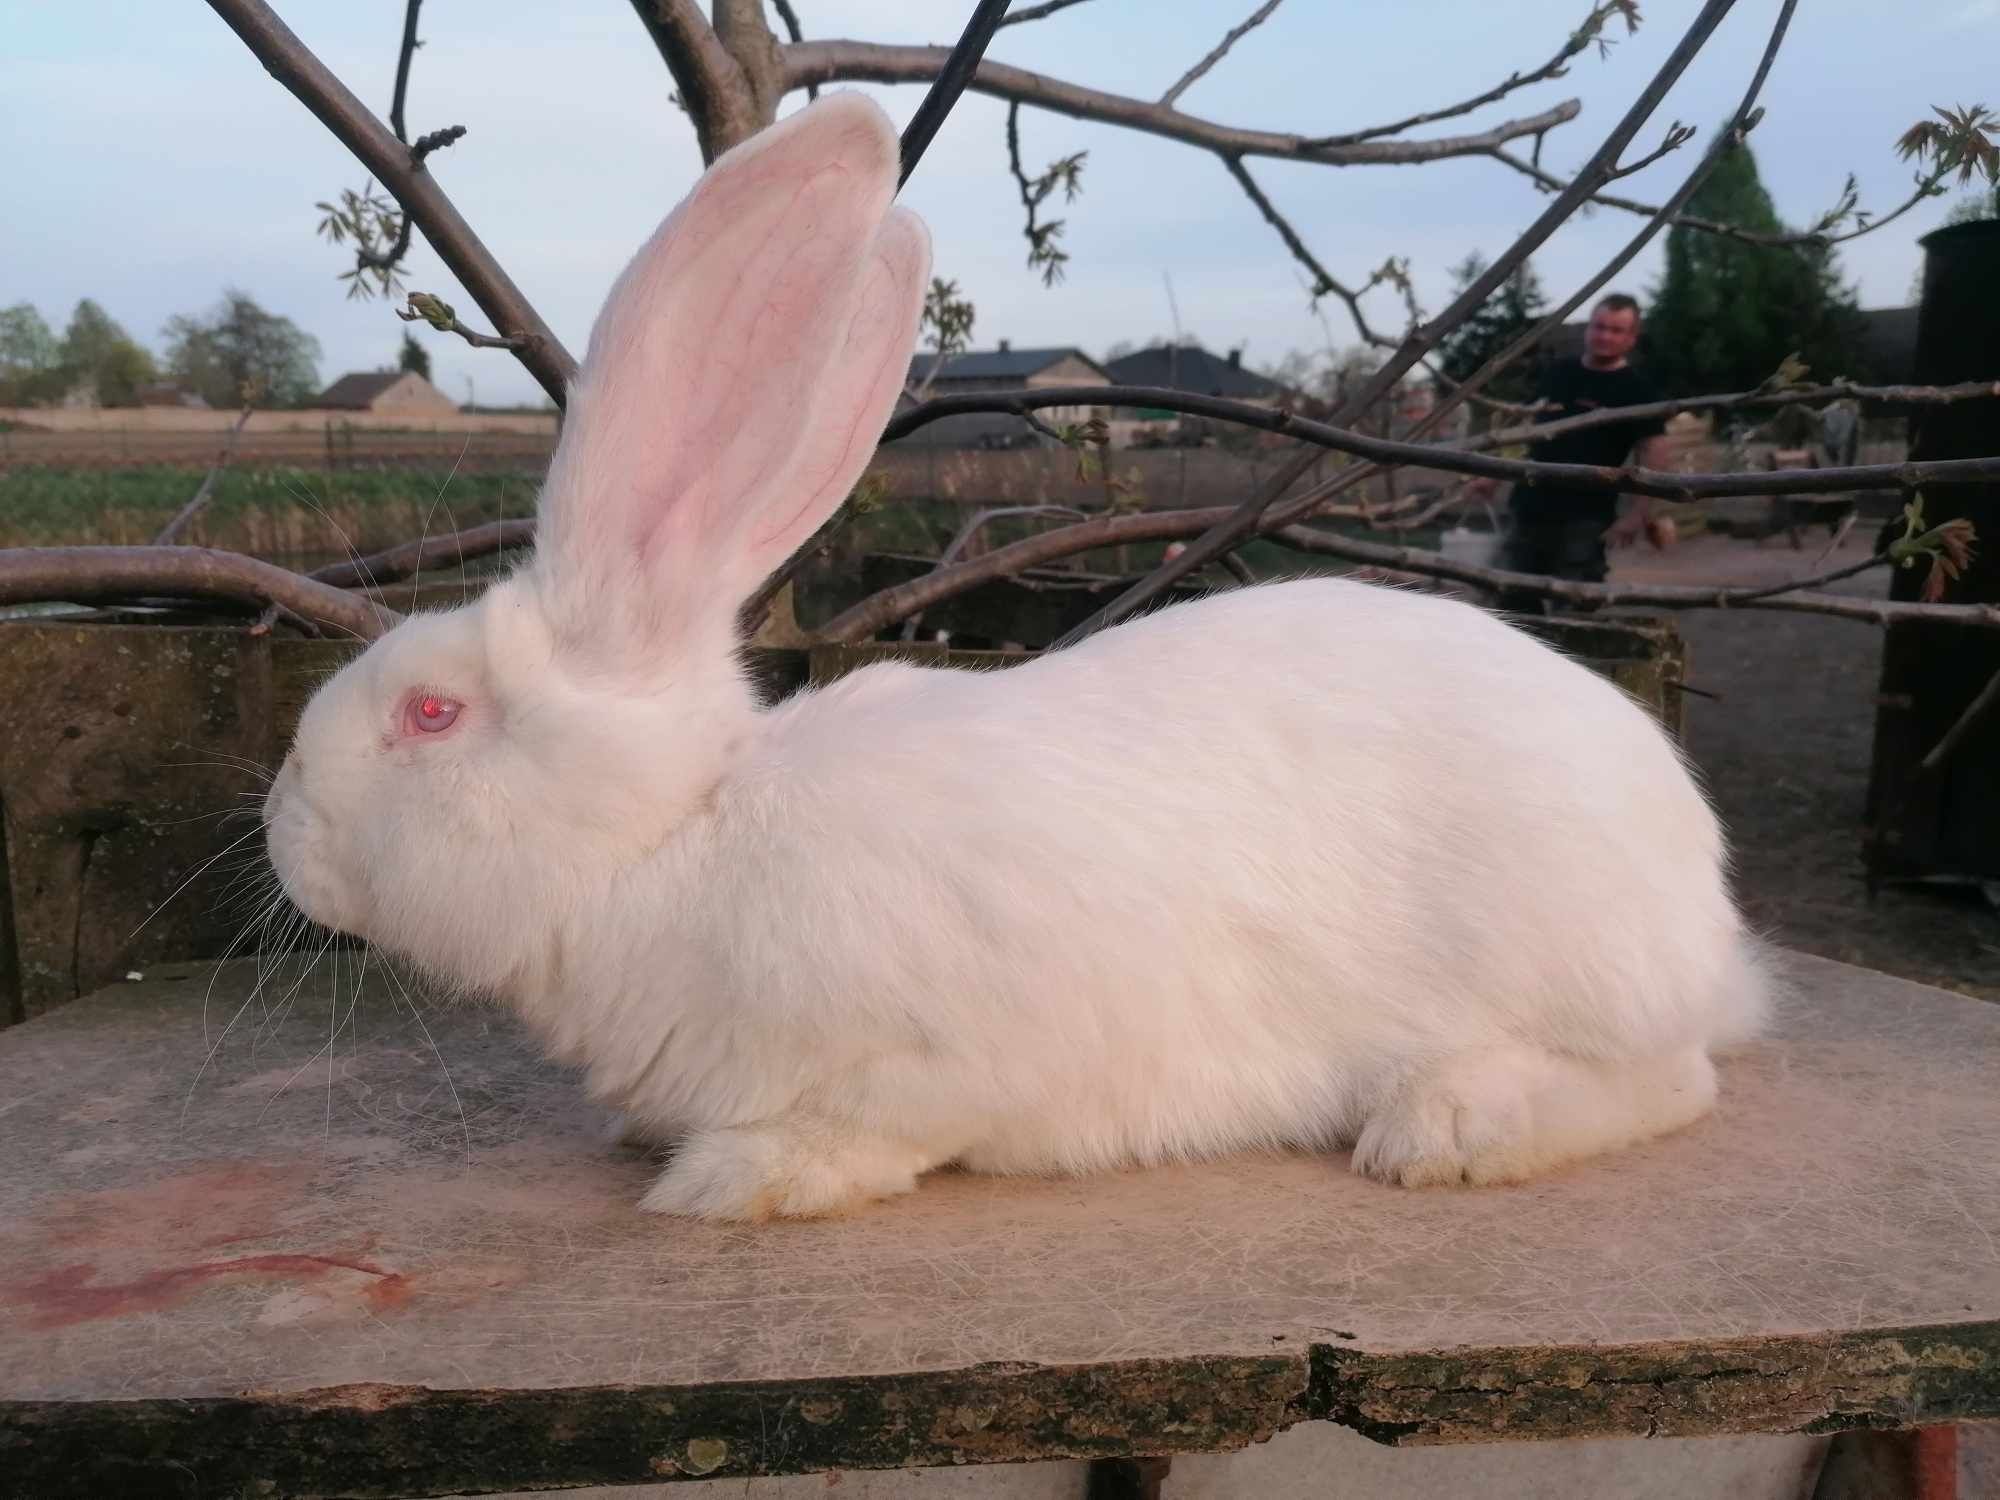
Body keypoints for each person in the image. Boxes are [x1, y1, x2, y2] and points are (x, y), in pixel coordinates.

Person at [1468, 293, 1677, 613]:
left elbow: (1654, 453)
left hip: (1586, 518)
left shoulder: (1638, 391)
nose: (1605, 335)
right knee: (1509, 601)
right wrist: (1491, 476)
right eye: (1599, 326)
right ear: (1588, 329)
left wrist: (1638, 515)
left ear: (1631, 338)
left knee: (1574, 606)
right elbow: (1525, 427)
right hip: (1529, 506)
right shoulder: (1558, 373)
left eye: (1616, 330)